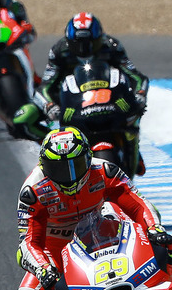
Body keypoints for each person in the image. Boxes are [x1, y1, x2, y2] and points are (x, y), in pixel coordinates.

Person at [9, 127, 172, 290]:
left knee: (165, 243)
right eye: (58, 168)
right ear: (43, 165)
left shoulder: (105, 171)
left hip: (106, 236)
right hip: (56, 254)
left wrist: (153, 229)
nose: (69, 176)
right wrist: (43, 269)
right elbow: (28, 243)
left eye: (75, 165)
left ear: (89, 158)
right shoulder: (33, 191)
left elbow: (139, 205)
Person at [13, 12, 149, 176]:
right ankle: (53, 149)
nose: (85, 49)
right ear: (70, 41)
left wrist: (140, 93)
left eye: (90, 43)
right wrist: (49, 105)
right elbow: (45, 86)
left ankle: (134, 149)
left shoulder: (112, 46)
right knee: (24, 118)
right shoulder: (59, 50)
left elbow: (135, 76)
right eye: (79, 44)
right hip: (71, 100)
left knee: (134, 110)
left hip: (109, 96)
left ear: (99, 38)